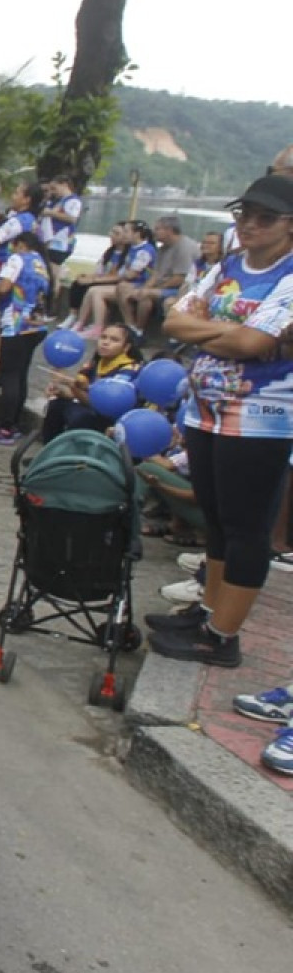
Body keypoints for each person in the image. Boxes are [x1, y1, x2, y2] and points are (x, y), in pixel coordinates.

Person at [147, 173, 293, 668]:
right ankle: (207, 610)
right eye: (244, 214)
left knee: (245, 526)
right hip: (206, 409)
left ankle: (223, 635)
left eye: (265, 218)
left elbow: (253, 343)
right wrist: (230, 332)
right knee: (216, 518)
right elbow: (174, 318)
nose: (250, 224)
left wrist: (216, 331)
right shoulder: (229, 265)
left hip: (259, 416)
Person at [0, 229, 51, 446]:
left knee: (9, 376)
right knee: (21, 374)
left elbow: (4, 287)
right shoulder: (41, 264)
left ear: (19, 244)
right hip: (36, 325)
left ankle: (6, 427)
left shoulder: (17, 259)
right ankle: (14, 424)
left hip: (15, 324)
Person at [41, 322, 141, 441]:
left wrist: (70, 384)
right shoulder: (95, 362)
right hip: (92, 409)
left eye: (114, 340)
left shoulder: (129, 369)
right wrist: (62, 392)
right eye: (103, 337)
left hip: (112, 420)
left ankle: (70, 451)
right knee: (56, 404)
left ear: (126, 347)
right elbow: (79, 394)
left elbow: (101, 405)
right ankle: (50, 448)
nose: (105, 342)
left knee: (80, 417)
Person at [116, 214, 195, 336]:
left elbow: (179, 279)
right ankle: (130, 326)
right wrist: (146, 287)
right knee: (123, 287)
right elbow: (156, 274)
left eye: (158, 229)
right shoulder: (163, 248)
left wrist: (152, 289)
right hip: (161, 286)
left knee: (145, 295)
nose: (154, 232)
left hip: (178, 289)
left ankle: (139, 331)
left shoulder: (184, 247)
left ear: (169, 230)